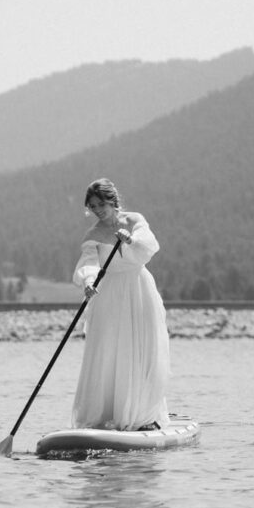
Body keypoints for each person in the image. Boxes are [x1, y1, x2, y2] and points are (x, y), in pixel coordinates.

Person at [71, 178, 170, 431]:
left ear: (113, 201)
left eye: (101, 204)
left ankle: (142, 416)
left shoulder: (135, 220)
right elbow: (89, 262)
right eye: (92, 206)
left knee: (141, 348)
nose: (97, 210)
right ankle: (106, 416)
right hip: (108, 294)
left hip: (139, 289)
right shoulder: (92, 234)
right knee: (107, 351)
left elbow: (149, 246)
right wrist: (89, 282)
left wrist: (131, 241)